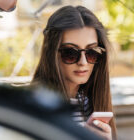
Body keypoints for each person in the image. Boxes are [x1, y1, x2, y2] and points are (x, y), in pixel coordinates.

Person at [31, 5, 117, 140]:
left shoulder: (90, 102)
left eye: (91, 52)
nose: (83, 62)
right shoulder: (36, 105)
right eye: (70, 53)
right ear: (51, 54)